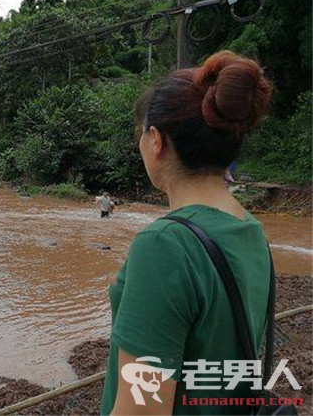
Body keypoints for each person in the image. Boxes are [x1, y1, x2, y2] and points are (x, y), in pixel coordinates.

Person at [101, 51, 273, 415]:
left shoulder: (165, 246)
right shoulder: (250, 229)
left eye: (140, 134)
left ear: (155, 141)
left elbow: (142, 409)